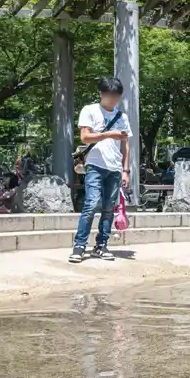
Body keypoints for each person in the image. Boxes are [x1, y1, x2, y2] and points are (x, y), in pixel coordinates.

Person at [70, 77, 132, 264]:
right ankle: (79, 245)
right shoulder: (89, 110)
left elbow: (125, 146)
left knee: (108, 209)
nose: (112, 100)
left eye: (116, 96)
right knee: (91, 204)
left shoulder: (122, 117)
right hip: (95, 165)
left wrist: (126, 170)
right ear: (101, 94)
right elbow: (85, 138)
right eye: (109, 95)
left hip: (114, 167)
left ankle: (101, 245)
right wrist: (107, 135)